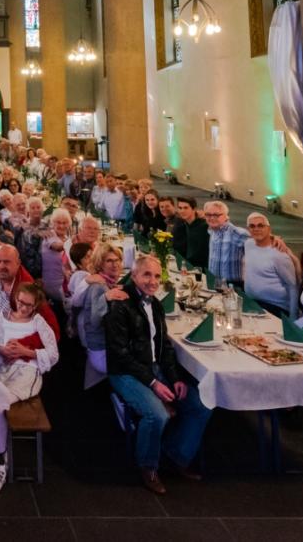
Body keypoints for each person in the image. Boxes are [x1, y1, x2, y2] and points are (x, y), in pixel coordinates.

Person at [104, 255, 212, 495]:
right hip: (125, 372)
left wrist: (174, 378)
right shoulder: (120, 305)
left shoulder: (156, 304)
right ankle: (148, 466)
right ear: (134, 276)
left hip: (154, 370)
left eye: (156, 276)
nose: (152, 281)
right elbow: (120, 354)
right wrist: (154, 383)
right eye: (146, 275)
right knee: (157, 415)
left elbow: (164, 348)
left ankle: (176, 455)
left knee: (202, 406)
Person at [0, 283, 59, 495]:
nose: (23, 308)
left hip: (27, 372)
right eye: (20, 302)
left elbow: (53, 354)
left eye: (28, 306)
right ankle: (1, 450)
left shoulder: (38, 322)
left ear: (34, 307)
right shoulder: (5, 316)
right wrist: (2, 350)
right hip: (6, 368)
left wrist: (26, 351)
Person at [74, 243, 130, 389]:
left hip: (101, 346)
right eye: (109, 261)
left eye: (117, 260)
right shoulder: (99, 286)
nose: (115, 264)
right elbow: (95, 320)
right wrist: (106, 297)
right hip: (101, 351)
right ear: (100, 264)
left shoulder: (106, 282)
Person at [242, 213, 299, 318]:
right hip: (252, 302)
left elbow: (293, 286)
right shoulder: (248, 244)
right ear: (248, 229)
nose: (256, 229)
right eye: (252, 226)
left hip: (274, 307)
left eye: (260, 225)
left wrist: (293, 317)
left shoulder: (279, 255)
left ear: (269, 229)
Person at [171, 197, 209, 270]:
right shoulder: (183, 224)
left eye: (186, 208)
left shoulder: (204, 226)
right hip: (188, 265)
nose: (182, 211)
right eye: (180, 208)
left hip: (201, 268)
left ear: (194, 209)